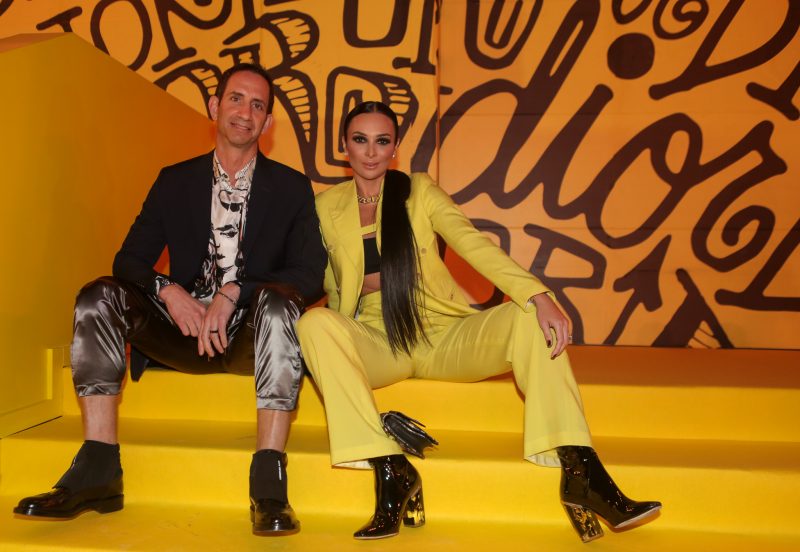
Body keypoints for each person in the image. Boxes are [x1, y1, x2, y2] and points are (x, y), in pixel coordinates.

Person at [296, 101, 661, 542]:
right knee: (313, 324)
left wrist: (537, 294)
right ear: (344, 147)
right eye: (360, 140)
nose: (371, 152)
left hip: (442, 332)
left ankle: (582, 472)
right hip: (378, 339)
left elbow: (473, 244)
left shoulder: (418, 191)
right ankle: (389, 466)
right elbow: (321, 280)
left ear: (394, 148)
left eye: (382, 141)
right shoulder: (325, 206)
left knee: (527, 317)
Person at [13, 63, 326, 536]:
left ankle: (268, 484)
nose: (245, 112)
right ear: (215, 106)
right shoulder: (175, 180)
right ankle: (98, 469)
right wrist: (169, 290)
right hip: (183, 333)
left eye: (257, 105)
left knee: (281, 304)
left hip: (250, 337)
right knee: (98, 295)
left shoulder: (291, 187)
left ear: (267, 123)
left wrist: (236, 291)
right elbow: (129, 260)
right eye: (236, 99)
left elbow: (310, 274)